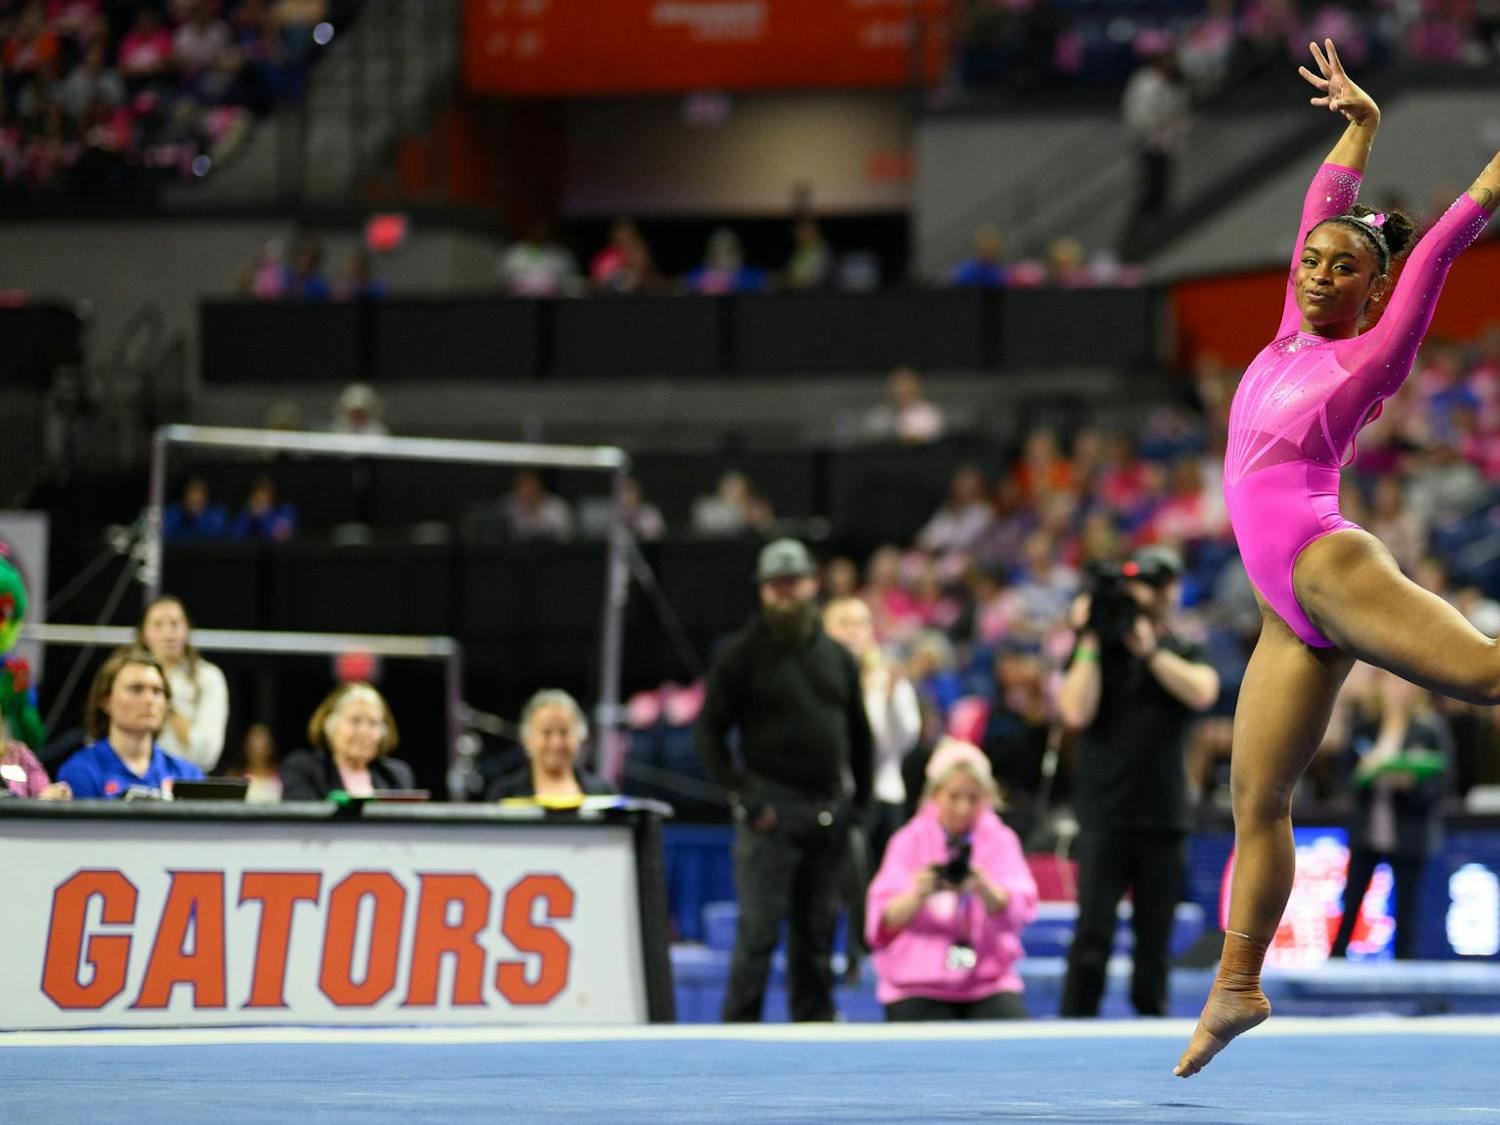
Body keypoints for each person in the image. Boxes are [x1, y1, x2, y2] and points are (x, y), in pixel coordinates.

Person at [1175, 40, 1500, 1077]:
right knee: (1256, 800)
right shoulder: (1286, 332)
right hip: (1285, 614)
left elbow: (1446, 240)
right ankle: (1238, 986)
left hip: (1324, 561)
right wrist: (1358, 125)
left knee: (1488, 677)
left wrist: (1490, 181)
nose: (1319, 278)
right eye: (1312, 262)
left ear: (1375, 291)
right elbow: (1330, 195)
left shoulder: (1371, 352)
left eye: (1343, 271)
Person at [694, 538, 874, 1022]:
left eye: (792, 584)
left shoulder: (837, 657)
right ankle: (736, 1037)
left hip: (827, 814)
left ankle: (814, 1038)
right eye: (775, 587)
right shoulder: (740, 655)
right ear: (761, 592)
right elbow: (708, 734)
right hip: (769, 814)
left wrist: (859, 808)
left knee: (816, 938)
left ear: (813, 585)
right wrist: (746, 797)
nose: (784, 595)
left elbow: (861, 736)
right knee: (758, 937)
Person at [1058, 546, 1219, 1021]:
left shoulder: (1179, 647)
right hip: (1104, 811)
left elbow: (1203, 691)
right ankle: (1075, 1021)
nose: (1145, 597)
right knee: (1093, 931)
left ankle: (1151, 1019)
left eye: (1155, 586)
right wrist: (1089, 637)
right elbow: (1074, 711)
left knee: (1155, 936)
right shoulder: (1097, 649)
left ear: (1170, 592)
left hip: (1163, 811)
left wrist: (1150, 652)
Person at [865, 739, 1038, 1020]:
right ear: (935, 795)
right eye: (954, 796)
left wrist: (984, 888)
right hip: (916, 983)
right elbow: (880, 924)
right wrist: (917, 894)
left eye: (973, 798)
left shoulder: (1001, 840)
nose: (963, 807)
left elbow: (1020, 911)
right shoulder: (908, 841)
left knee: (1015, 1043)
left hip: (987, 980)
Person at [1325, 665, 1450, 961]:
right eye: (1390, 682)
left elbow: (1443, 781)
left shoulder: (1430, 728)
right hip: (1368, 829)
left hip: (1410, 831)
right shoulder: (1365, 726)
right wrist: (1367, 770)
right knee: (1351, 901)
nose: (1397, 689)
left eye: (1404, 683)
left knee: (1406, 910)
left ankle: (1405, 974)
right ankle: (1335, 964)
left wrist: (1409, 784)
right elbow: (1345, 777)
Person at [57, 649, 205, 799]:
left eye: (157, 691)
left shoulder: (187, 774)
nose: (150, 700)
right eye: (136, 689)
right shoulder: (81, 771)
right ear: (106, 700)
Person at [136, 595, 229, 773]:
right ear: (144, 634)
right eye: (158, 624)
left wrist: (167, 703)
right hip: (133, 776)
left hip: (186, 780)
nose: (168, 633)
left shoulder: (208, 677)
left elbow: (207, 755)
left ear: (187, 629)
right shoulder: (127, 677)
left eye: (175, 624)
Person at [280, 681, 415, 799]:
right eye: (355, 721)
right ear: (330, 726)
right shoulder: (303, 769)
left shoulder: (396, 775)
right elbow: (301, 824)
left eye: (373, 723)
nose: (364, 732)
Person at [486, 689, 615, 801]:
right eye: (546, 733)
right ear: (526, 738)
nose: (556, 744)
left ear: (580, 736)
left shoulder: (603, 792)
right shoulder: (505, 794)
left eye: (564, 732)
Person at [231, 721, 282, 803]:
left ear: (270, 748)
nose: (258, 752)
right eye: (254, 747)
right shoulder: (235, 777)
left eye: (262, 747)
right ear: (246, 748)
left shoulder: (281, 776)